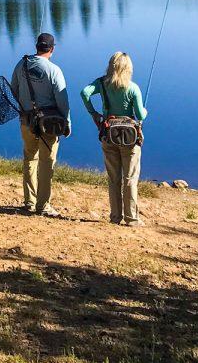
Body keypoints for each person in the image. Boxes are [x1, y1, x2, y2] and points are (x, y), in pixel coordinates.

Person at [81, 52, 148, 226]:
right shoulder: (133, 88)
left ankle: (115, 217)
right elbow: (140, 114)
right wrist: (145, 113)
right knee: (130, 178)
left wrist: (94, 113)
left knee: (113, 178)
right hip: (129, 139)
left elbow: (84, 93)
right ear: (128, 69)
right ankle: (132, 218)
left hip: (109, 135)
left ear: (111, 66)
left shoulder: (102, 83)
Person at [10, 32, 71, 216]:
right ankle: (43, 206)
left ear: (37, 46)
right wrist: (67, 123)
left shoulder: (22, 64)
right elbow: (63, 101)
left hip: (26, 121)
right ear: (52, 49)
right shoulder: (54, 70)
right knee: (46, 162)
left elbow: (13, 91)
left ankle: (30, 202)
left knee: (30, 159)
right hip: (49, 125)